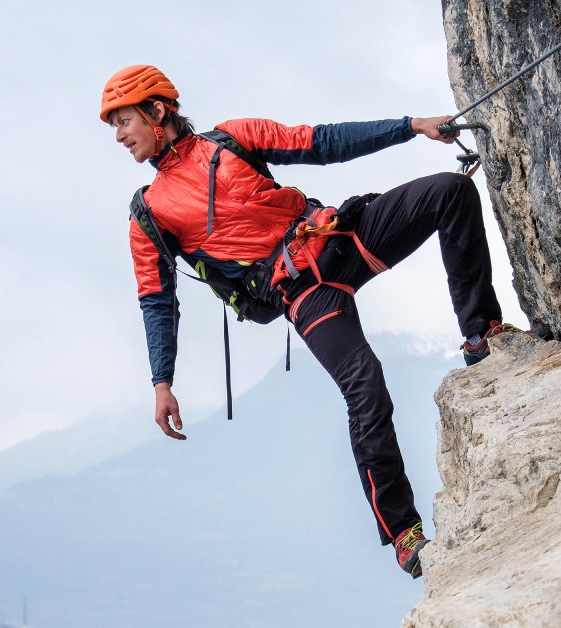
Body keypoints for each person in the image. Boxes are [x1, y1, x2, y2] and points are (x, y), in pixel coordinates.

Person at [100, 64, 517, 578]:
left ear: (157, 111)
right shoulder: (150, 213)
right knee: (365, 385)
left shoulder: (231, 138)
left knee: (450, 192)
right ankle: (403, 533)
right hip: (303, 290)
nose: (118, 136)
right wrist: (162, 381)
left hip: (339, 237)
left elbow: (321, 142)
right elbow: (156, 300)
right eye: (114, 126)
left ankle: (481, 334)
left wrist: (412, 125)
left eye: (123, 121)